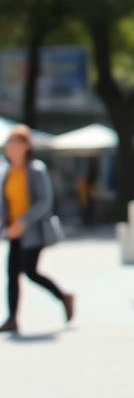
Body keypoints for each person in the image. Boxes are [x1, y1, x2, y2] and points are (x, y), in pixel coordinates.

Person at [1, 125, 74, 335]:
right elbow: (4, 203)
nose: (9, 148)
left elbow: (44, 201)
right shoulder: (8, 172)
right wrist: (6, 226)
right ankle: (12, 318)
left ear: (25, 146)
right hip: (13, 231)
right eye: (8, 144)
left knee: (30, 271)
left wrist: (23, 222)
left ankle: (64, 297)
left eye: (13, 143)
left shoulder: (35, 169)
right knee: (12, 274)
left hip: (33, 231)